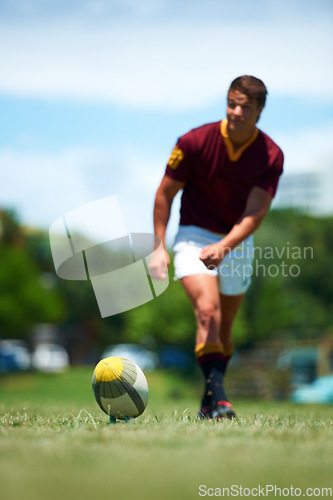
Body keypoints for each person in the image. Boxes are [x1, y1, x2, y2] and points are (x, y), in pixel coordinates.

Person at [151, 75, 284, 419]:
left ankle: (207, 403)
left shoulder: (270, 155)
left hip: (237, 240)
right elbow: (165, 194)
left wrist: (225, 246)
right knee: (208, 312)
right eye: (232, 103)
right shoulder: (194, 142)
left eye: (246, 106)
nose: (236, 111)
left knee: (224, 330)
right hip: (194, 235)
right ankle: (221, 400)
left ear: (259, 112)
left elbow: (255, 213)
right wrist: (159, 247)